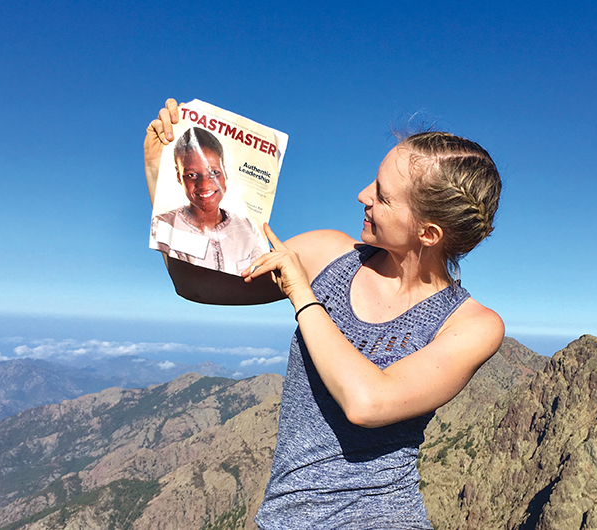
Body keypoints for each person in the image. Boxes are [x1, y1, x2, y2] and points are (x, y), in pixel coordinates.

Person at [145, 99, 505, 529]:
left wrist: (303, 295)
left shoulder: (471, 325)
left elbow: (368, 401)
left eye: (383, 195)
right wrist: (158, 173)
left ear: (428, 233)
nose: (363, 195)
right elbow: (197, 285)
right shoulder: (329, 254)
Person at [150, 126, 266, 274]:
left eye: (214, 172)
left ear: (224, 171)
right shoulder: (167, 224)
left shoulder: (247, 227)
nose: (204, 184)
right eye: (192, 175)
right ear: (179, 176)